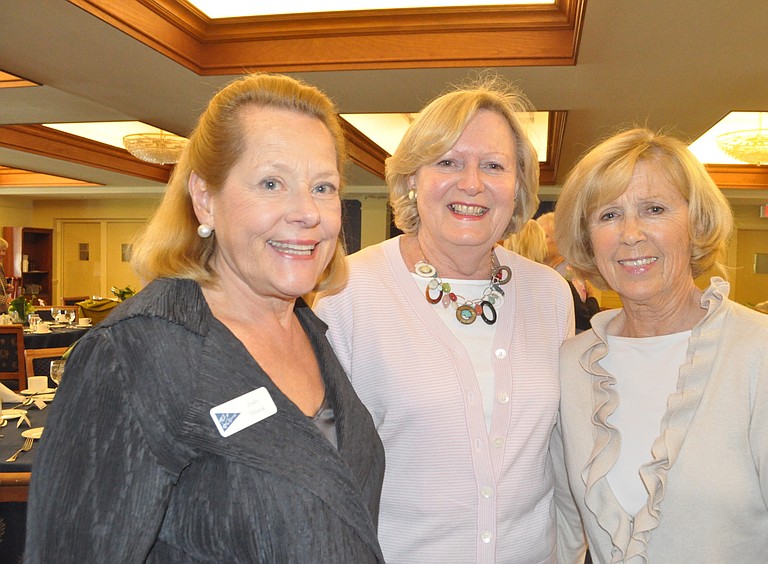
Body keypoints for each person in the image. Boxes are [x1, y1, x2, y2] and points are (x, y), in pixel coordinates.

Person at [25, 73, 385, 562]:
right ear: (204, 197)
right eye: (271, 182)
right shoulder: (135, 355)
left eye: (323, 186)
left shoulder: (307, 328)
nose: (307, 212)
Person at [550, 128, 768, 562]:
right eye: (608, 215)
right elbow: (564, 524)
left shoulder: (762, 350)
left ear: (696, 223)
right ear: (587, 239)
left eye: (654, 209)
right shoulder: (573, 363)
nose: (630, 233)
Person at [313, 76, 574, 563]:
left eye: (493, 166)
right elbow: (324, 469)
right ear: (412, 180)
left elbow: (558, 452)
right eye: (448, 162)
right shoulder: (348, 293)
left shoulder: (549, 294)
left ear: (516, 187)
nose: (471, 183)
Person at [536, 212, 600, 332]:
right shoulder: (537, 269)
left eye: (545, 236)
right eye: (538, 237)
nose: (539, 242)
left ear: (559, 241)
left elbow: (584, 319)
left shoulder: (570, 273)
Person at [0, 237, 9, 313]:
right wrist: (6, 299)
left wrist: (7, 288)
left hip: (3, 309)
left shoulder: (0, 267)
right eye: (2, 251)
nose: (4, 254)